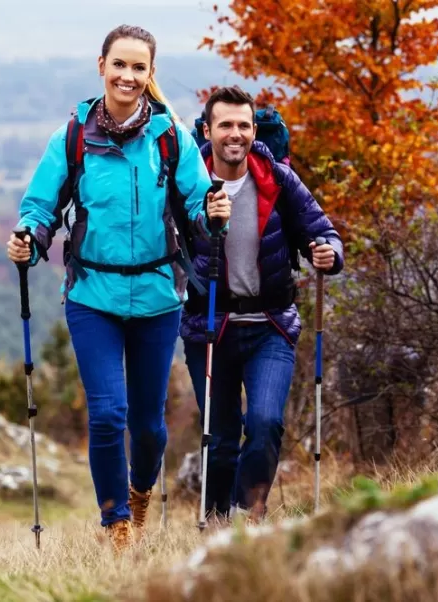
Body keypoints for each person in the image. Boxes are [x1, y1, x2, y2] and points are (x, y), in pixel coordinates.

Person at [5, 24, 230, 552]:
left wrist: (213, 213)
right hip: (92, 297)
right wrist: (29, 241)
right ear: (101, 66)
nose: (128, 76)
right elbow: (41, 207)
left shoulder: (169, 135)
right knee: (108, 414)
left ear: (151, 75)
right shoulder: (74, 137)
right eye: (120, 65)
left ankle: (140, 491)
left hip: (157, 297)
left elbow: (198, 203)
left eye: (139, 67)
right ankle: (116, 524)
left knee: (149, 427)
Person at [180, 85, 344, 523]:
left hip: (271, 323)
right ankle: (215, 527)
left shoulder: (277, 177)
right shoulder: (190, 181)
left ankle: (247, 517)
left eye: (243, 125)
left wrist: (328, 252)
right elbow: (168, 241)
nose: (235, 134)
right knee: (220, 437)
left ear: (254, 130)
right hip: (209, 326)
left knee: (267, 424)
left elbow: (321, 229)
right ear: (208, 130)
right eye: (225, 125)